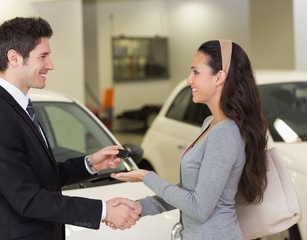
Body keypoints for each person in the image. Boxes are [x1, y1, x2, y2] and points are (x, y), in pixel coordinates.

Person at [0, 16, 140, 240]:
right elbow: (27, 198)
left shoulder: (16, 108)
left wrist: (90, 163)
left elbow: (40, 176)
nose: (51, 65)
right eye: (43, 56)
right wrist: (104, 211)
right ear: (14, 58)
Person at [109, 40, 268, 239]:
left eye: (196, 72)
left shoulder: (225, 133)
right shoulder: (211, 123)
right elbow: (189, 192)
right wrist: (141, 206)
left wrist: (146, 177)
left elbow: (199, 208)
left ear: (219, 77)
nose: (188, 80)